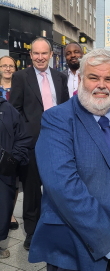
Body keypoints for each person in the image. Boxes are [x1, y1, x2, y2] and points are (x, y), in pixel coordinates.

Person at [28, 48, 110, 271]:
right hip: (79, 254)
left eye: (109, 79)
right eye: (93, 77)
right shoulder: (57, 119)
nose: (102, 85)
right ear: (80, 78)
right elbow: (64, 188)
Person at [9, 37, 69, 250]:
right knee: (32, 190)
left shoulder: (60, 77)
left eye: (44, 53)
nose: (40, 57)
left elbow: (65, 108)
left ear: (51, 55)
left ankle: (58, 227)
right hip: (33, 144)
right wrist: (25, 135)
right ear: (31, 55)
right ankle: (32, 233)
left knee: (58, 188)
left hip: (59, 142)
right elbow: (13, 110)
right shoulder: (20, 78)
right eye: (36, 53)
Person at [0, 94, 32, 259]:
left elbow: (23, 138)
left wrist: (11, 159)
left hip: (2, 171)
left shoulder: (8, 109)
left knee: (2, 207)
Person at [0, 56, 21, 230]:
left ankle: (10, 212)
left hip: (14, 135)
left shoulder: (19, 86)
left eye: (11, 66)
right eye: (4, 66)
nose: (7, 68)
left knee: (12, 178)